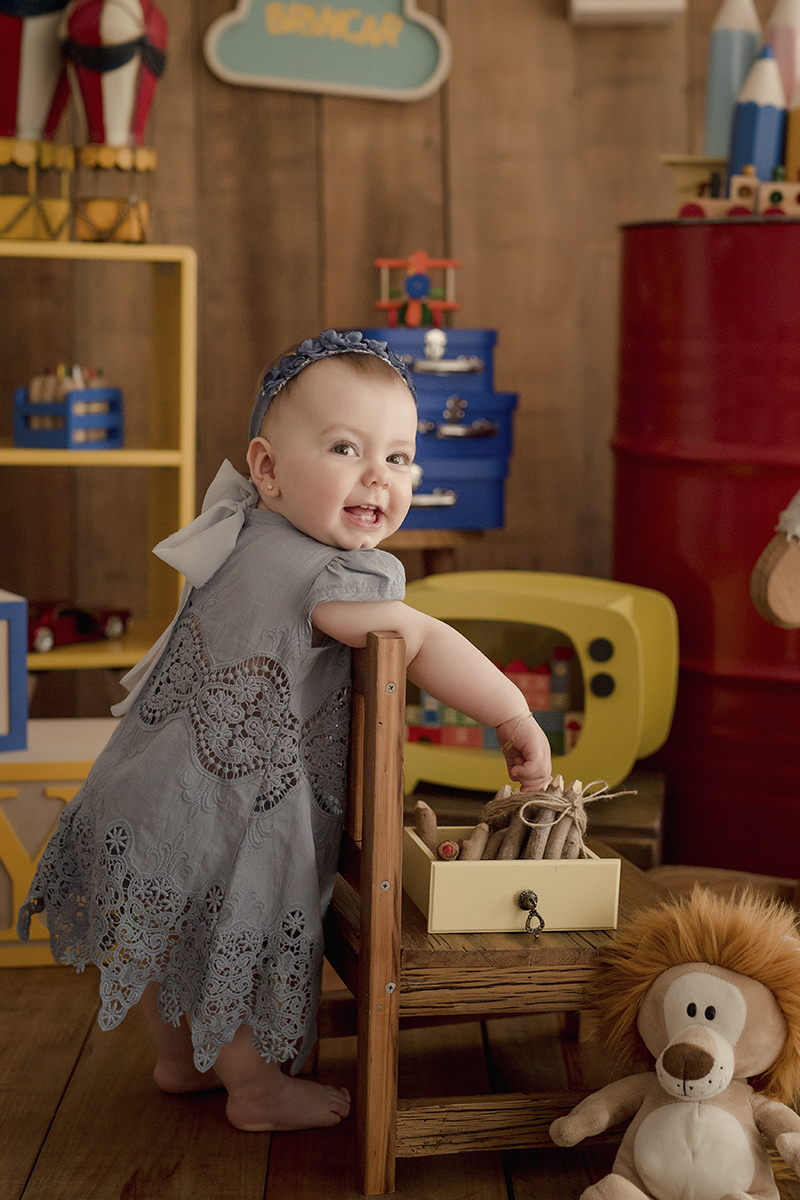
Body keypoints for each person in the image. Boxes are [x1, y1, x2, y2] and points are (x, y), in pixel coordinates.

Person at [18, 329, 551, 1134]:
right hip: (221, 808)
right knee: (222, 933)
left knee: (174, 936)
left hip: (142, 788)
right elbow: (427, 641)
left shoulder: (245, 535)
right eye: (345, 447)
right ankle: (254, 1086)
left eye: (401, 458)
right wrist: (511, 709)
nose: (379, 475)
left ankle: (178, 1062)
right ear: (266, 469)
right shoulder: (333, 576)